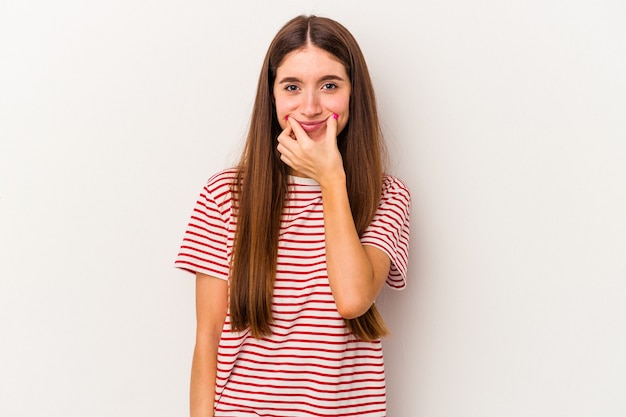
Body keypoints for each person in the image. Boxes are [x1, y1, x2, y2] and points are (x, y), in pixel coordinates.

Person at [175, 14, 411, 417]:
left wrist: (331, 179)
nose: (310, 106)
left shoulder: (386, 197)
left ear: (354, 93)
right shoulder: (225, 196)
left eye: (330, 85)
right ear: (272, 97)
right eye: (292, 87)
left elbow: (353, 299)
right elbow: (208, 338)